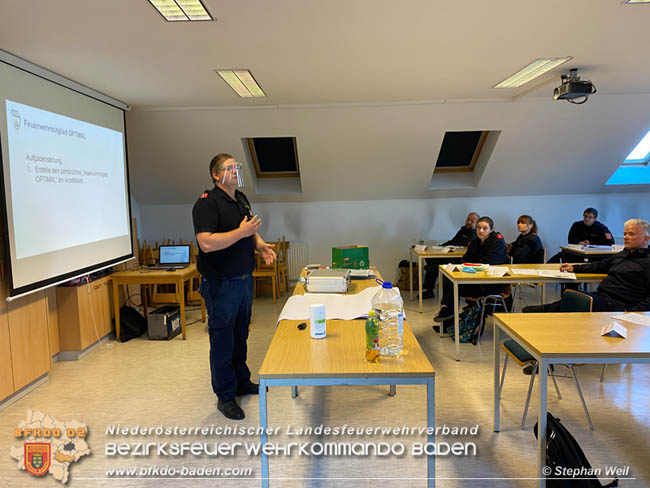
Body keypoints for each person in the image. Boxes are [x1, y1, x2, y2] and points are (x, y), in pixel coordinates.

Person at [192, 153, 277, 421]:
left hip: (243, 282)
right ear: (217, 175)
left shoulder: (240, 198)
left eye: (237, 167)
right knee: (222, 341)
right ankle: (225, 396)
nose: (236, 171)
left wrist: (260, 245)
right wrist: (241, 232)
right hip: (220, 285)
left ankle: (242, 381)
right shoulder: (207, 204)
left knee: (241, 337)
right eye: (230, 168)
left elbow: (250, 229)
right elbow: (206, 242)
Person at [524, 219, 650, 313]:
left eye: (631, 234)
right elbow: (599, 266)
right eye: (625, 234)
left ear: (646, 239)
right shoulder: (623, 254)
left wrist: (632, 312)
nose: (626, 237)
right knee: (573, 297)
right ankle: (542, 311)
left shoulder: (647, 261)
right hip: (603, 296)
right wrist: (575, 268)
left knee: (575, 301)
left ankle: (542, 312)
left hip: (620, 305)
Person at [433, 216, 509, 323]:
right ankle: (447, 312)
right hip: (474, 279)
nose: (481, 231)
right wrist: (470, 264)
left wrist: (471, 264)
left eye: (485, 228)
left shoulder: (498, 242)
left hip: (490, 284)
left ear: (491, 229)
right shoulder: (475, 241)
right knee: (449, 279)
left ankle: (448, 314)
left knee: (454, 285)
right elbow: (466, 258)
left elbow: (490, 261)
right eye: (478, 228)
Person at [421, 212, 478, 299]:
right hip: (450, 255)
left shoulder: (475, 235)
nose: (469, 222)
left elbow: (465, 246)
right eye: (468, 219)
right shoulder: (462, 230)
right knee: (430, 258)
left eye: (472, 221)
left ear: (477, 224)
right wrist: (440, 247)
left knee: (435, 264)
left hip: (458, 260)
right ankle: (429, 285)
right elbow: (453, 242)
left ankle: (429, 288)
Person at [547, 207, 614, 263]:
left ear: (595, 218)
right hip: (578, 252)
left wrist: (591, 243)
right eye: (585, 216)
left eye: (590, 217)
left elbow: (610, 242)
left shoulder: (601, 228)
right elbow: (571, 239)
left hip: (594, 255)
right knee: (560, 255)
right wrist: (579, 242)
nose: (587, 219)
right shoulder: (577, 225)